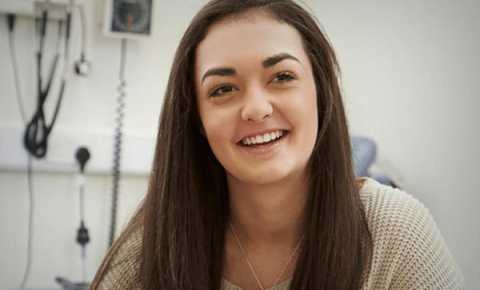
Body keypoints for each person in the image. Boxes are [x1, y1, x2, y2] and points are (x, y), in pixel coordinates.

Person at [90, 1, 465, 289]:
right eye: (222, 89)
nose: (255, 108)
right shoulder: (151, 248)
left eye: (282, 76)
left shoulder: (397, 233)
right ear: (198, 121)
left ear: (320, 94)